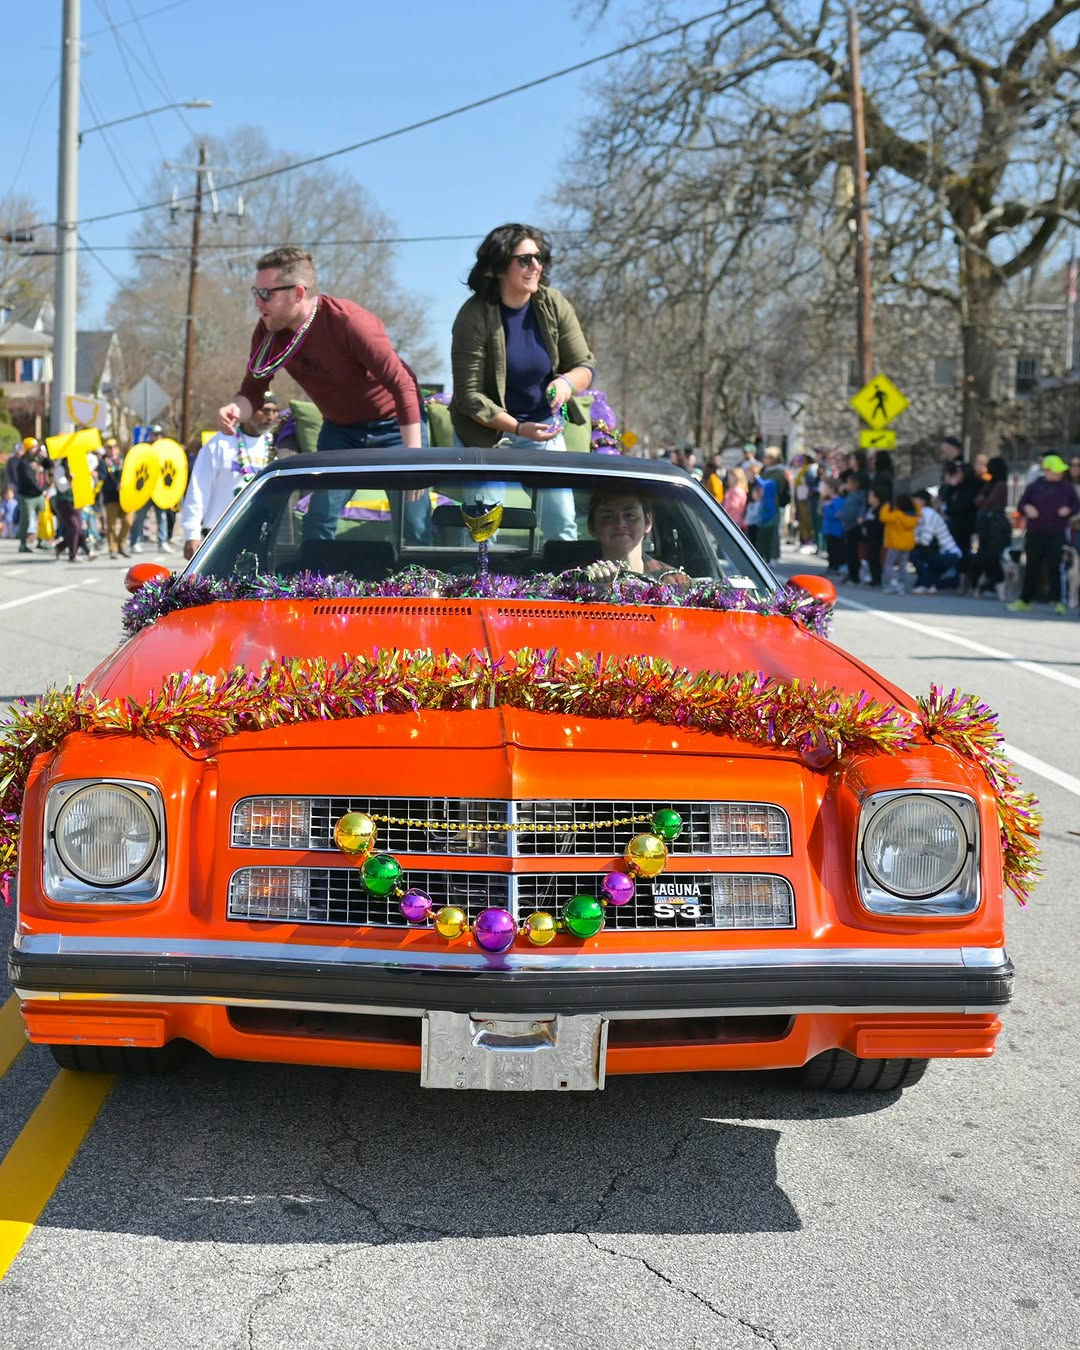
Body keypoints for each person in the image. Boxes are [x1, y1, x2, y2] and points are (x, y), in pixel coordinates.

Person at [216, 246, 425, 542]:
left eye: (266, 294)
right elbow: (253, 390)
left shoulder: (350, 321)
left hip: (394, 426)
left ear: (298, 293)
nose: (256, 302)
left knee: (413, 524)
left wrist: (413, 458)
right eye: (255, 291)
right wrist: (236, 409)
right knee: (319, 520)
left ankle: (420, 586)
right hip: (341, 431)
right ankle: (319, 584)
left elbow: (402, 384)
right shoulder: (268, 331)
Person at [450, 224, 595, 541]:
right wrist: (516, 428)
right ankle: (480, 587)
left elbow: (584, 365)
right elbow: (469, 397)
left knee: (562, 526)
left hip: (542, 428)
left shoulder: (553, 303)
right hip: (485, 432)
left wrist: (568, 383)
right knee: (482, 530)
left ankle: (562, 589)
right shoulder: (472, 316)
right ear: (500, 266)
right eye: (525, 259)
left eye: (539, 258)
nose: (536, 266)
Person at [181, 402, 275, 559]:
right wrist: (192, 533)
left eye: (274, 411)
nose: (270, 416)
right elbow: (198, 488)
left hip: (262, 536)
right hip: (219, 535)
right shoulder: (220, 444)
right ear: (247, 412)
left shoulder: (275, 445)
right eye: (265, 410)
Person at [1007, 454, 1080, 612]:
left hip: (1056, 532)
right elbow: (1021, 504)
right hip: (1034, 532)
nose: (1059, 473)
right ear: (1046, 471)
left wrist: (1068, 510)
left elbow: (1075, 505)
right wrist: (1027, 508)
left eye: (1060, 471)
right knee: (1032, 566)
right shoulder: (1035, 486)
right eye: (1055, 471)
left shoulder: (1066, 487)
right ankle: (1025, 600)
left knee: (1055, 567)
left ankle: (1059, 601)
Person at [581, 491, 683, 584]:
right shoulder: (576, 582)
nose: (620, 524)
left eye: (629, 515)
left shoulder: (676, 581)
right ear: (592, 527)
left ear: (648, 522)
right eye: (608, 517)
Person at [967, 456, 1011, 598]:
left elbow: (987, 502)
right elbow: (978, 500)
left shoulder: (1001, 485)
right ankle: (986, 583)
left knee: (992, 556)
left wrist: (982, 501)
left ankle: (995, 582)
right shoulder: (989, 483)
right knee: (982, 554)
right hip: (985, 525)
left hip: (996, 526)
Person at [129, 425, 173, 554]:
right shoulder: (145, 449)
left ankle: (163, 542)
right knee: (140, 517)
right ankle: (135, 542)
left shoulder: (166, 450)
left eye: (159, 434)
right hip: (147, 489)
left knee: (162, 516)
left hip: (160, 490)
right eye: (155, 434)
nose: (157, 437)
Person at [911, 489, 964, 594]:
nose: (912, 503)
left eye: (914, 500)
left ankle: (951, 581)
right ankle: (933, 583)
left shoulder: (928, 514)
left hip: (948, 553)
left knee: (915, 554)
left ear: (922, 501)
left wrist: (908, 540)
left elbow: (925, 540)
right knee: (923, 583)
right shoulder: (921, 514)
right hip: (942, 553)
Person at [878, 493, 920, 593]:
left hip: (895, 544)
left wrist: (887, 506)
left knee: (888, 565)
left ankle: (894, 583)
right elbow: (918, 510)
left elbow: (883, 517)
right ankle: (902, 586)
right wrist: (915, 505)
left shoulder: (896, 514)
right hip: (907, 545)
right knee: (903, 565)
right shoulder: (914, 516)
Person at [98, 438, 131, 558]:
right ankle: (113, 549)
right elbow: (102, 477)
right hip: (110, 497)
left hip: (125, 498)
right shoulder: (103, 462)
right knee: (111, 525)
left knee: (128, 521)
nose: (112, 449)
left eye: (114, 447)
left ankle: (121, 544)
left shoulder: (123, 461)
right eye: (109, 447)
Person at [13, 437, 45, 553]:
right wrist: (41, 490)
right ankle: (23, 544)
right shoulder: (23, 463)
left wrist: (44, 457)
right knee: (25, 520)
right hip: (27, 496)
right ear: (28, 449)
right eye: (34, 448)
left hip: (38, 494)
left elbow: (49, 465)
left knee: (43, 518)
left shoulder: (37, 460)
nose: (36, 450)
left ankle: (41, 541)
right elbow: (29, 480)